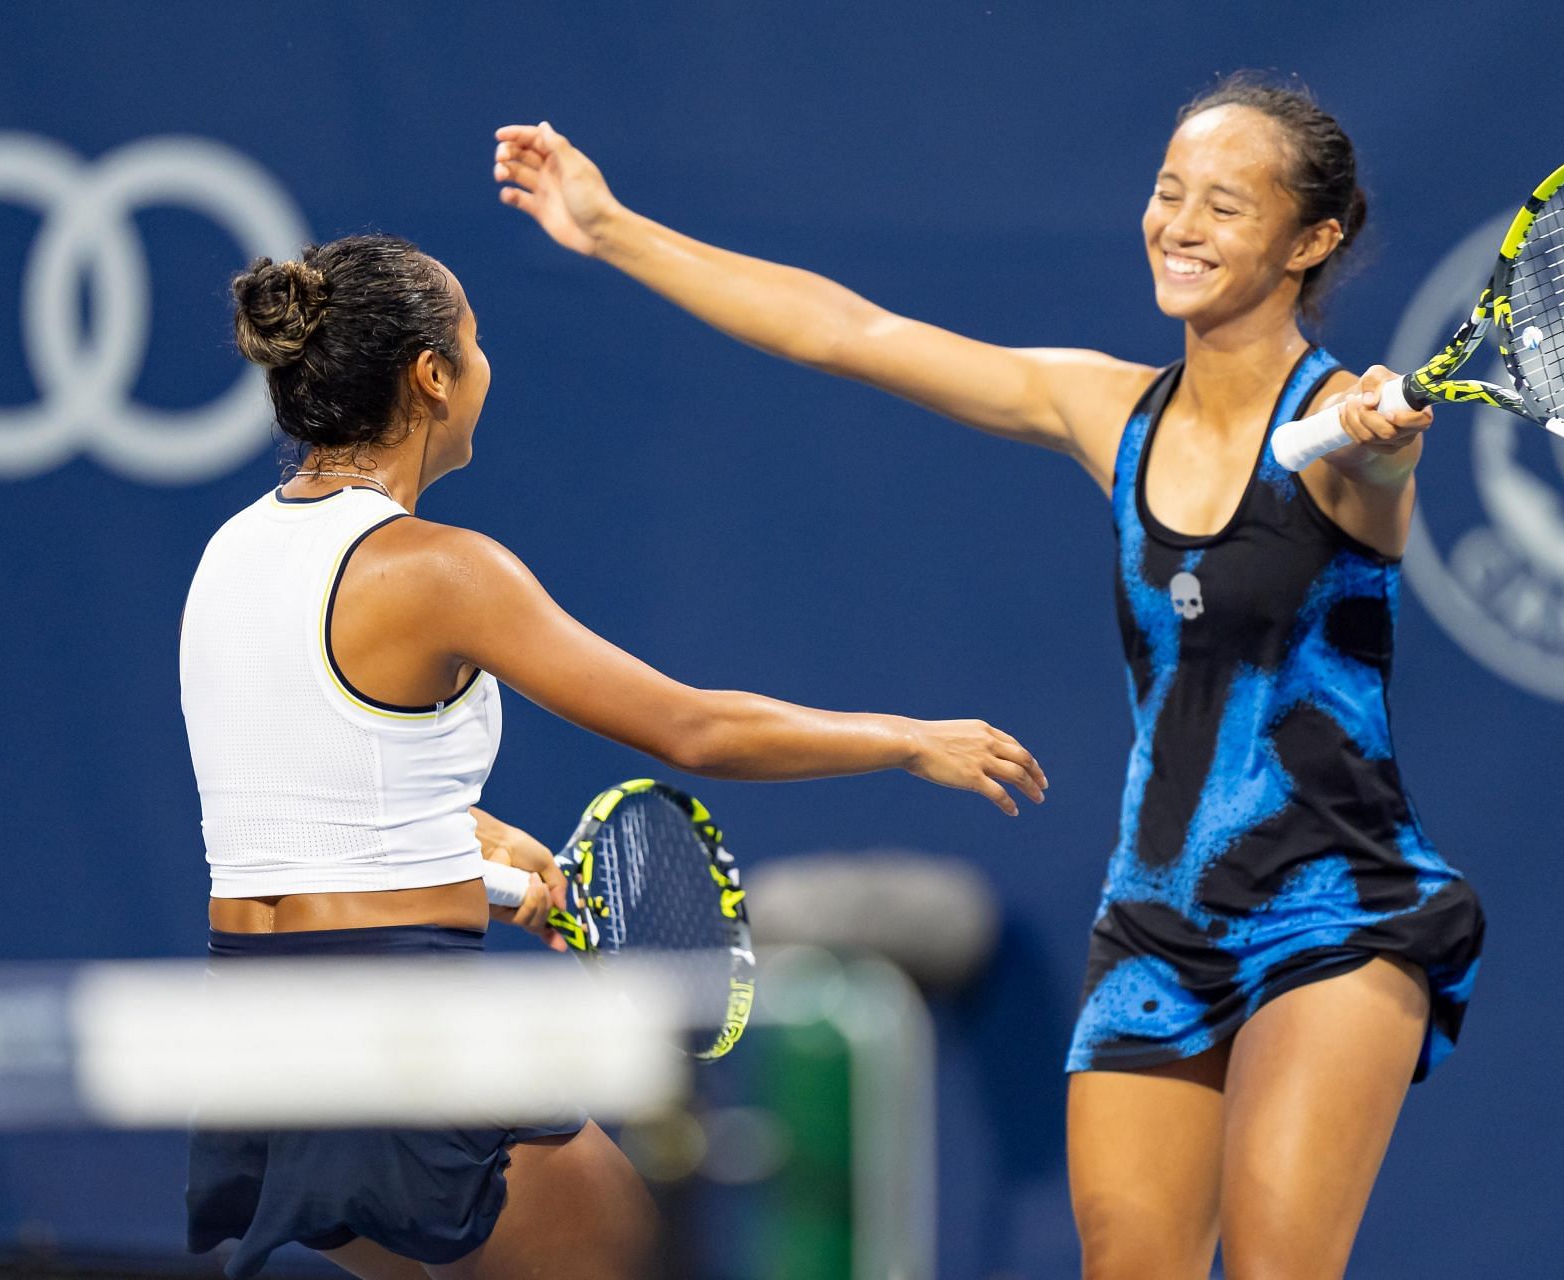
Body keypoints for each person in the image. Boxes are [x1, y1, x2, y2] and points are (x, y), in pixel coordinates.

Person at [493, 71, 1486, 1280]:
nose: (1180, 224)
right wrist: (610, 228)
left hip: (1338, 908)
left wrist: (1381, 454)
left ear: (1310, 239)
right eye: (1170, 191)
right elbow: (849, 330)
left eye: (1226, 205)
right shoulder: (1106, 407)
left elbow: (1377, 503)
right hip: (1158, 922)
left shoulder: (1351, 430)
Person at [178, 232, 1047, 1280]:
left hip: (250, 1046)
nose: (489, 367)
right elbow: (694, 727)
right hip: (394, 1040)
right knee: (640, 1253)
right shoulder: (442, 570)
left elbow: (305, 809)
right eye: (477, 341)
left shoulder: (231, 553)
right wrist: (907, 738)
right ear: (431, 376)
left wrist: (479, 851)